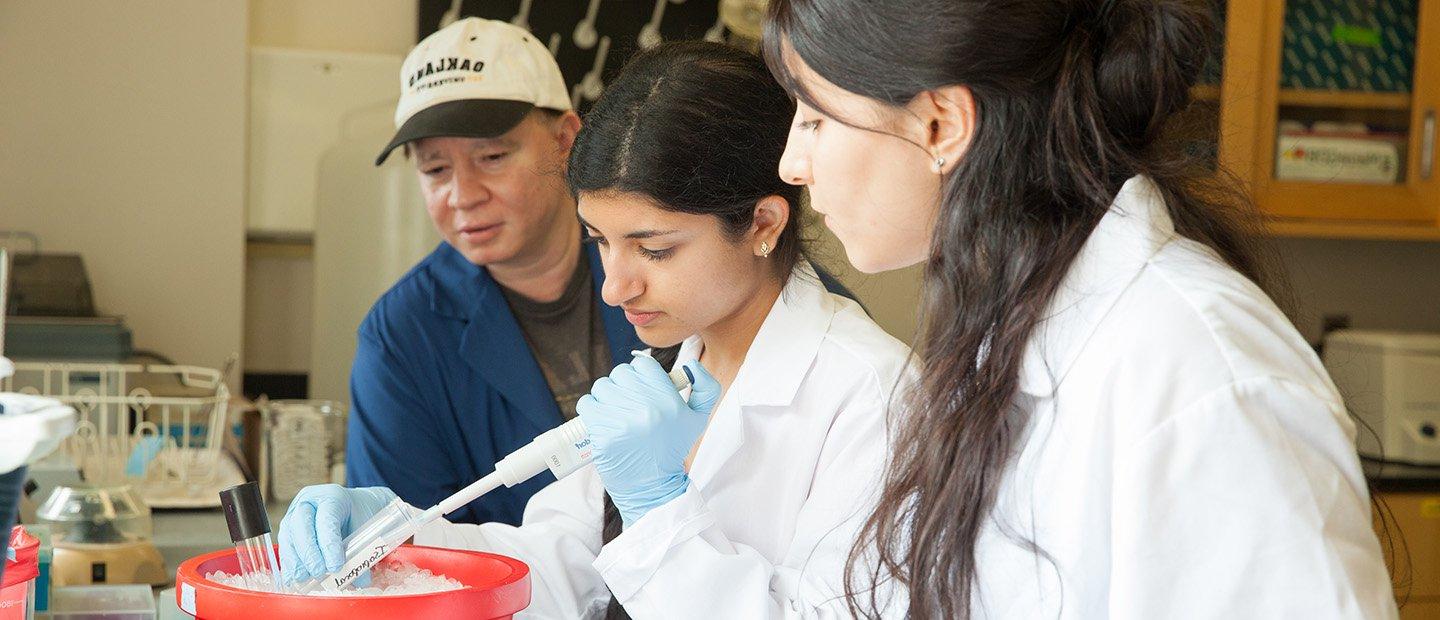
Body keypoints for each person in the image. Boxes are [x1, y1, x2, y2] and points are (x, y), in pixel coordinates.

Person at [763, 0, 1397, 618]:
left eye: (816, 118)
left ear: (941, 125)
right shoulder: (1005, 328)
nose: (792, 164)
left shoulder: (1199, 371)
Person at [280, 41, 911, 618]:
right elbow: (558, 562)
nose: (614, 288)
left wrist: (657, 509)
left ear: (762, 224)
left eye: (655, 250)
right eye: (600, 241)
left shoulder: (877, 397)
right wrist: (403, 543)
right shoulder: (673, 362)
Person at [345, 17, 647, 526]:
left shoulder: (666, 254)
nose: (462, 196)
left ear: (565, 140)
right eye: (435, 170)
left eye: (491, 156)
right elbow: (408, 559)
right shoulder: (402, 336)